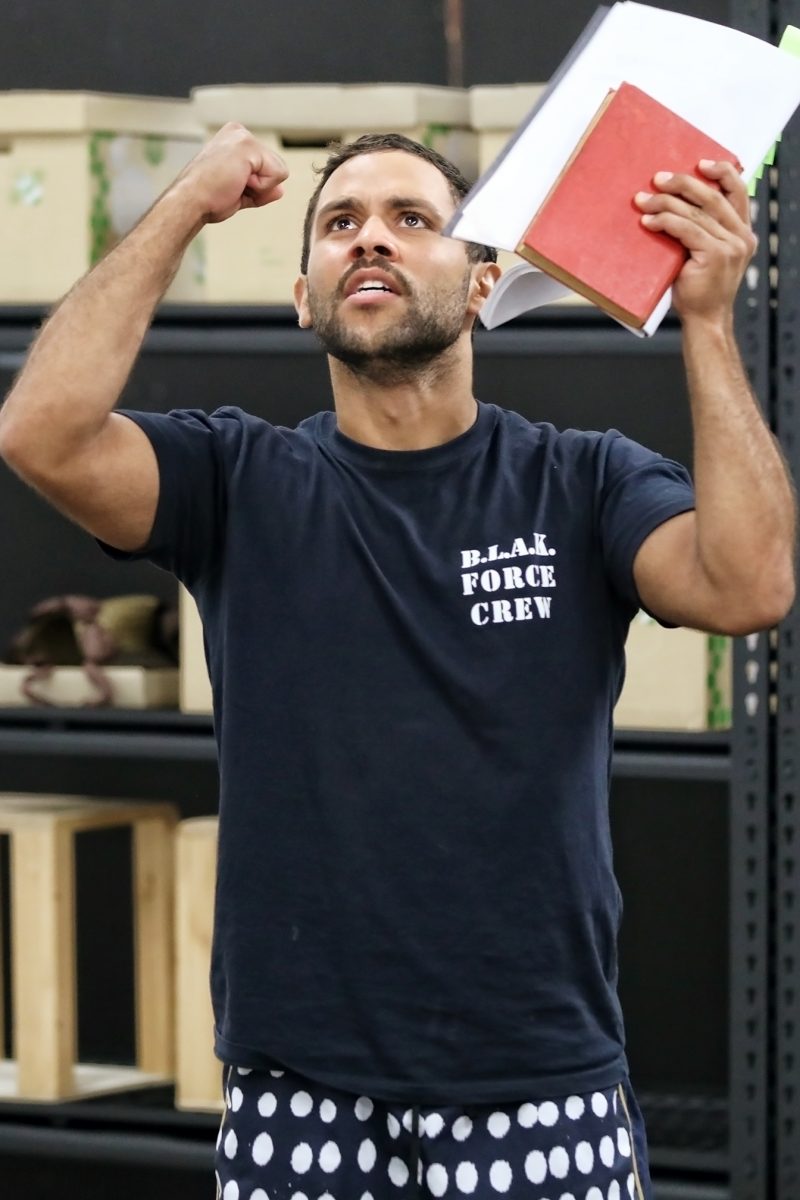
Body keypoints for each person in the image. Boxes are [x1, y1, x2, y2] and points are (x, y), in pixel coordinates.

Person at [0, 122, 795, 1200]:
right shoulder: (237, 481)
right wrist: (185, 202)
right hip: (299, 1085)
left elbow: (747, 585)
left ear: (481, 286)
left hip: (537, 1077)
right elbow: (37, 432)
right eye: (338, 224)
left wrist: (704, 320)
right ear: (301, 297)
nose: (369, 238)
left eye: (412, 219)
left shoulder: (581, 482)